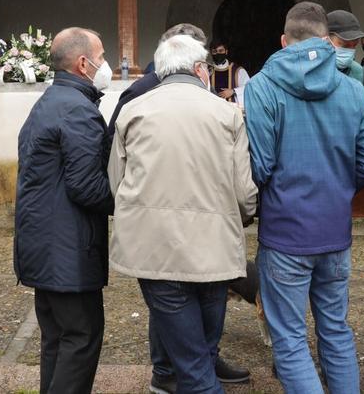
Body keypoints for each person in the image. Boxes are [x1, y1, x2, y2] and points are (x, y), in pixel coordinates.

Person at [244, 1, 364, 394]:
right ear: (327, 40)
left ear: (284, 40)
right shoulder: (352, 87)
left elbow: (261, 165)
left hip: (285, 231)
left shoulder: (262, 86)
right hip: (334, 231)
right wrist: (338, 188)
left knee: (289, 340)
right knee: (336, 331)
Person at [104, 23, 253, 391]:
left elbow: (116, 181)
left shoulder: (132, 110)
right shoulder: (227, 113)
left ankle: (167, 379)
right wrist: (242, 218)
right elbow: (245, 192)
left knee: (191, 353)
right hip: (214, 247)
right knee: (200, 353)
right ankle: (178, 381)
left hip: (153, 246)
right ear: (201, 70)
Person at [15, 27, 116, 394]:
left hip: (43, 246)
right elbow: (86, 187)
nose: (107, 65)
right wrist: (127, 202)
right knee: (80, 338)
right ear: (83, 63)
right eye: (102, 57)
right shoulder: (77, 111)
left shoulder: (50, 100)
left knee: (57, 339)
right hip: (68, 250)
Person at [327, 10, 364, 104]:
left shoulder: (362, 75)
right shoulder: (310, 72)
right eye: (345, 45)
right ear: (326, 39)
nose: (350, 50)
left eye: (355, 45)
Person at [208, 40, 250, 106]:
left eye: (221, 51)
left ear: (226, 52)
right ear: (211, 53)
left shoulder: (238, 70)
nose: (218, 53)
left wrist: (233, 91)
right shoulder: (206, 70)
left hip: (232, 109)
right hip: (213, 108)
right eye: (214, 51)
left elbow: (248, 87)